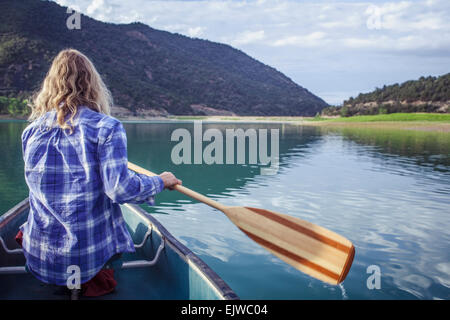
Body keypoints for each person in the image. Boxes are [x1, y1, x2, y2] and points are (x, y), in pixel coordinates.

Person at [19, 48, 181, 296]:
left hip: (41, 260)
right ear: (92, 84)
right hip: (86, 263)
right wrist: (160, 181)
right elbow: (119, 189)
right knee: (114, 223)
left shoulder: (30, 132)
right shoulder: (107, 127)